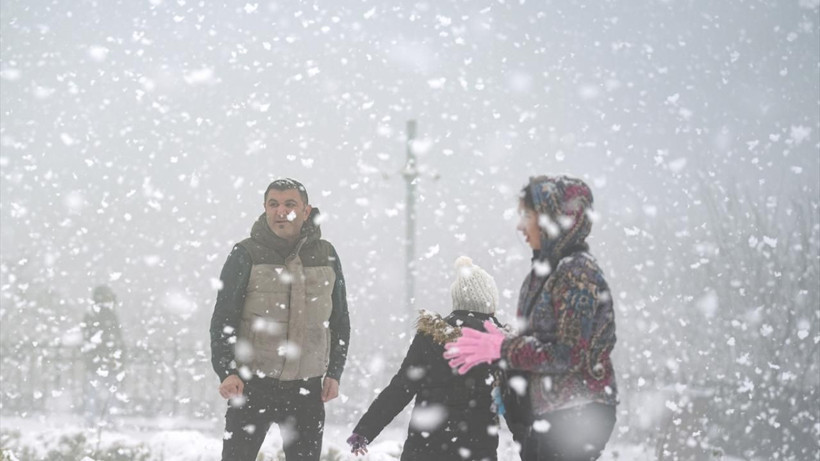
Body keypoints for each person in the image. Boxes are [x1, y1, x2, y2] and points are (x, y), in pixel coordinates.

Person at [444, 175, 618, 461]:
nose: (520, 226)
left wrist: (503, 348)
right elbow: (541, 343)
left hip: (576, 415)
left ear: (556, 217)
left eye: (528, 215)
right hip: (549, 413)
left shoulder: (576, 274)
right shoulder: (542, 274)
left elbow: (569, 354)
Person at [210, 178, 351, 461]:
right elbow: (224, 317)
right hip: (252, 386)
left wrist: (334, 372)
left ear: (306, 211)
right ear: (265, 208)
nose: (280, 211)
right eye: (273, 204)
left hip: (306, 389)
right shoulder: (246, 254)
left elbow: (339, 319)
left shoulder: (326, 255)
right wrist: (226, 370)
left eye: (289, 204)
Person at [347, 256, 505, 461]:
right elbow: (516, 404)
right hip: (477, 449)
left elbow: (401, 388)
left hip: (426, 447)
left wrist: (365, 430)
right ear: (489, 304)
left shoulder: (430, 338)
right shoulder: (498, 345)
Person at [80, 284, 127, 427]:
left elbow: (89, 337)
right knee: (105, 393)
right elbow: (115, 337)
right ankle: (107, 420)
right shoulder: (106, 315)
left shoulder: (94, 315)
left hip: (101, 360)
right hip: (106, 360)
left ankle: (96, 420)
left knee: (96, 393)